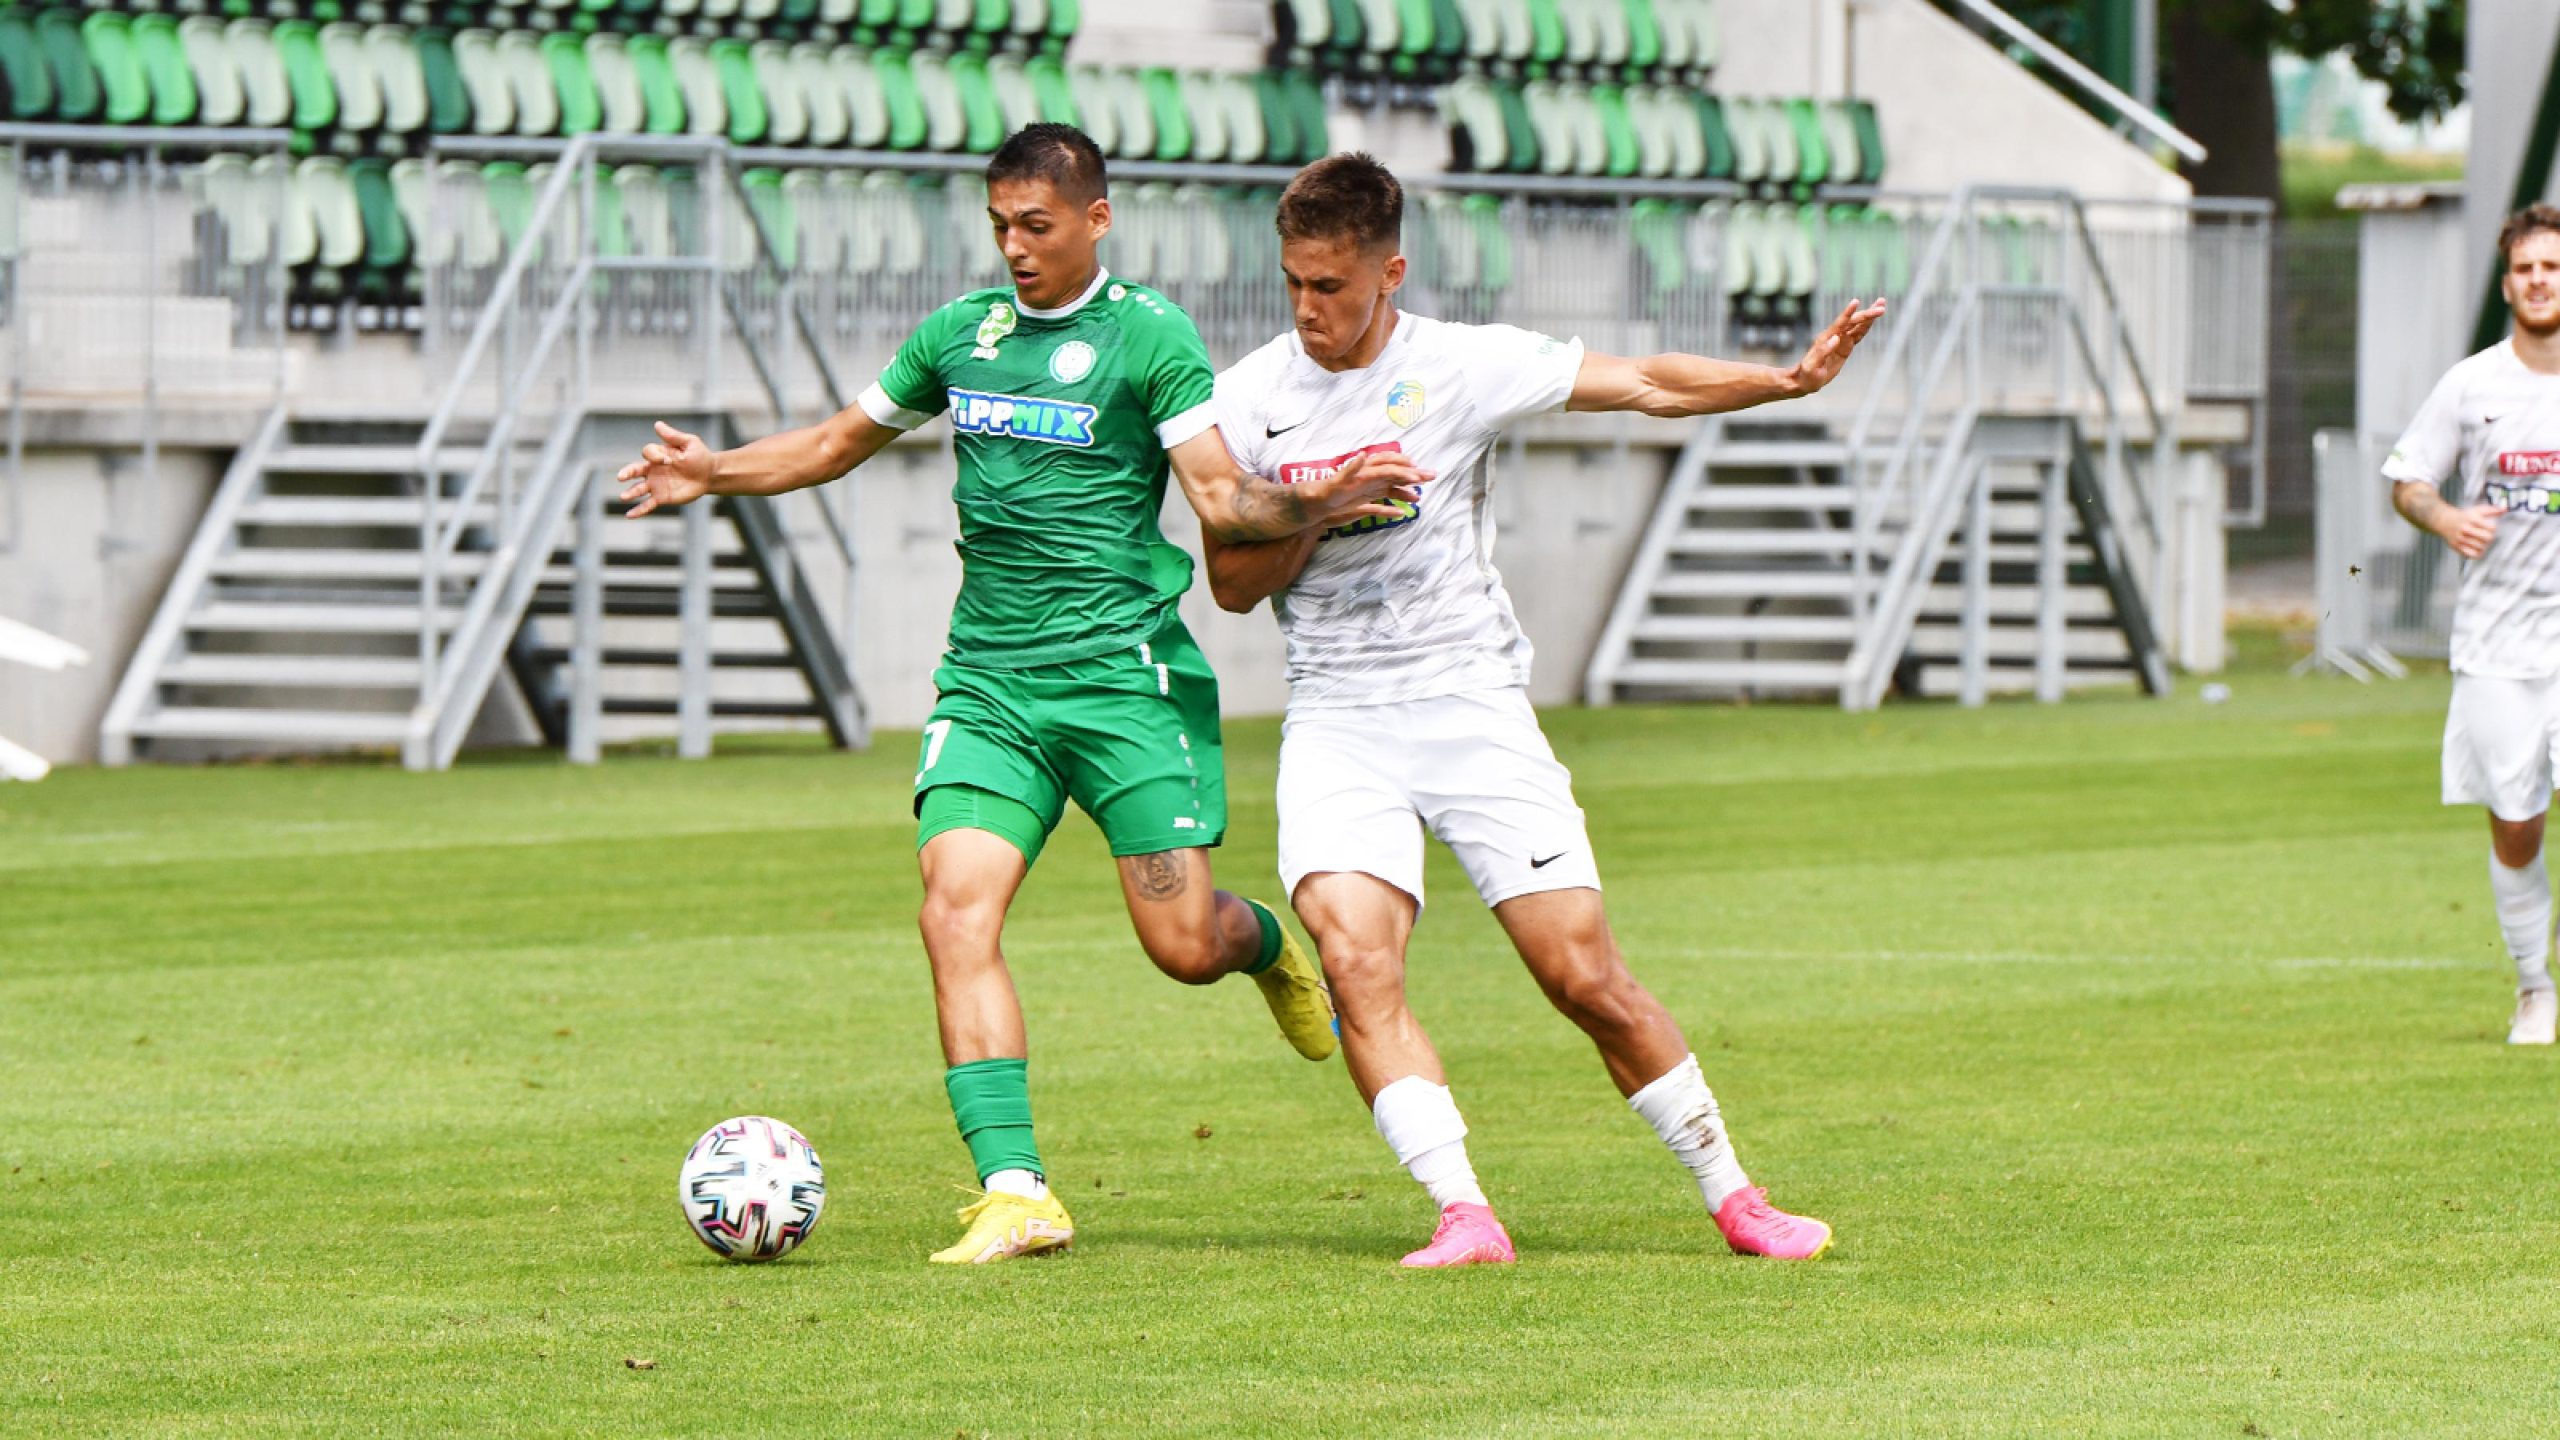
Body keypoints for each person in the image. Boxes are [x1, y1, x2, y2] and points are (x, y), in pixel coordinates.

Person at [614, 125, 1431, 1263]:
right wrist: (713, 470)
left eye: (1035, 224)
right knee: (953, 907)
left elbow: (1221, 502)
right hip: (991, 687)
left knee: (1182, 944)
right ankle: (1017, 1190)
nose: (1013, 246)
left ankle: (1262, 948)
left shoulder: (1148, 338)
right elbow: (839, 442)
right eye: (999, 223)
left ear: (1096, 219)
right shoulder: (964, 335)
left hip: (1120, 688)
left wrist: (1322, 499)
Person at [1203, 153, 1884, 1266]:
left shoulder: (1463, 367)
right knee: (1355, 964)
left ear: (1390, 273)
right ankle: (1462, 1212)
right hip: (1337, 719)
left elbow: (1647, 382)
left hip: (1469, 706)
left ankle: (1734, 1195)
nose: (1308, 310)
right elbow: (1230, 584)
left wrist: (1785, 381)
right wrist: (1318, 510)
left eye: (1330, 286)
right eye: (1293, 284)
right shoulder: (1250, 397)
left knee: (1581, 974)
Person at [2384, 202, 2560, 1047]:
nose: (2539, 280)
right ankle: (2534, 988)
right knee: (2517, 820)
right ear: (2508, 284)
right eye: (2527, 269)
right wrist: (2445, 519)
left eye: (2552, 267)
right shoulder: (2473, 383)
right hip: (2497, 643)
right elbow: (2409, 479)